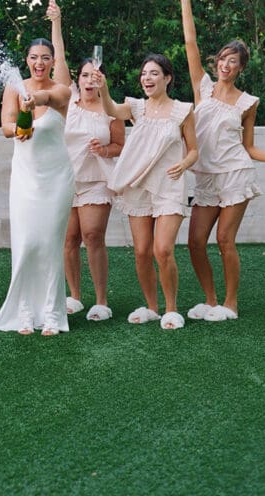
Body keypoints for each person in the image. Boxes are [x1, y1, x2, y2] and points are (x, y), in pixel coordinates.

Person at [176, 0, 265, 322]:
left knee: (224, 240)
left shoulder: (248, 103)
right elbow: (190, 42)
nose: (226, 65)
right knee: (195, 242)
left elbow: (248, 147)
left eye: (233, 62)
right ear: (216, 62)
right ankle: (210, 300)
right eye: (223, 59)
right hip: (205, 178)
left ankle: (230, 304)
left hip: (235, 174)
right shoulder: (201, 88)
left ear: (241, 68)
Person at [0, 39, 73, 336]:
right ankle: (25, 312)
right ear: (27, 59)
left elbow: (49, 97)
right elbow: (7, 124)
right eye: (34, 57)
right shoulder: (14, 87)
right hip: (25, 177)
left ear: (53, 61)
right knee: (27, 243)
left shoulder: (62, 89)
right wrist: (17, 127)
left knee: (50, 244)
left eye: (45, 57)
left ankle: (53, 314)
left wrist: (34, 100)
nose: (39, 63)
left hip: (56, 178)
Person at [94, 55, 198, 330]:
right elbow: (113, 111)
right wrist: (103, 88)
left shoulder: (183, 111)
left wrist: (184, 164)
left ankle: (172, 309)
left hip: (169, 185)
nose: (147, 79)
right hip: (137, 185)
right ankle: (152, 307)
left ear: (167, 78)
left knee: (162, 250)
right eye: (144, 74)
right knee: (141, 251)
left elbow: (194, 150)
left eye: (154, 74)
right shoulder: (136, 107)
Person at [48, 0, 125, 321]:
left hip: (96, 180)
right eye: (85, 75)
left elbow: (120, 144)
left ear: (103, 80)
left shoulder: (112, 109)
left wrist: (104, 150)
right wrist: (57, 21)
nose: (90, 80)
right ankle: (75, 297)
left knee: (93, 236)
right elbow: (59, 59)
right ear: (77, 79)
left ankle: (101, 300)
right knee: (68, 239)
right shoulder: (69, 102)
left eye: (96, 76)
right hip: (65, 180)